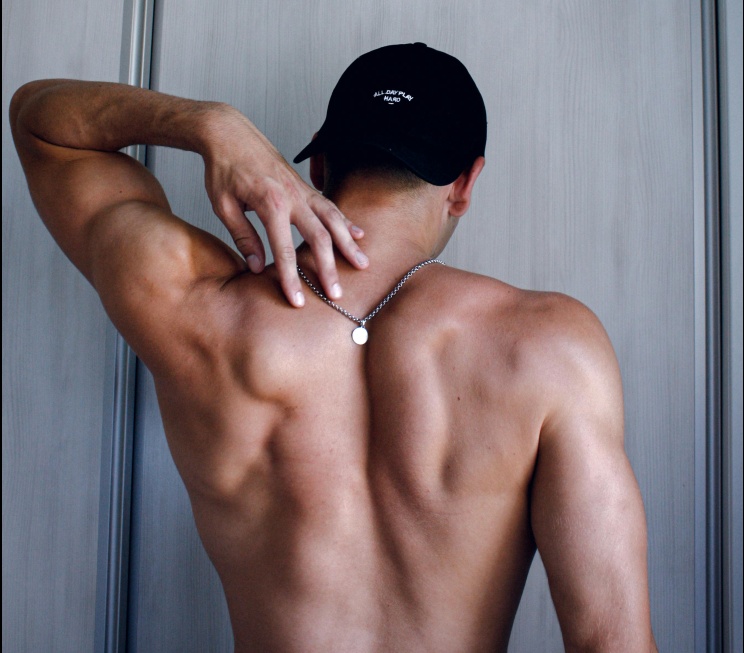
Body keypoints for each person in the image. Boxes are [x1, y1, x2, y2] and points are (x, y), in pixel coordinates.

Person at [10, 43, 657, 653]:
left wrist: (209, 124)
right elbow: (613, 642)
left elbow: (40, 125)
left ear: (316, 167)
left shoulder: (200, 308)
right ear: (465, 183)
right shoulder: (551, 346)